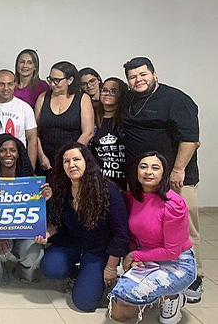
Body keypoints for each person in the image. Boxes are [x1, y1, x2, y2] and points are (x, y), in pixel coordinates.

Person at [120, 56, 203, 302]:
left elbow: (190, 138)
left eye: (143, 74)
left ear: (155, 74)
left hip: (174, 179)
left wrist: (178, 170)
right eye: (133, 77)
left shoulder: (177, 100)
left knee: (186, 230)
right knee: (150, 230)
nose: (138, 80)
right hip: (142, 179)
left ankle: (194, 280)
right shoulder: (129, 99)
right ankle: (161, 275)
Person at [35, 142, 129, 312]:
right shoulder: (61, 189)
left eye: (76, 159)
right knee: (50, 267)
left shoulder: (108, 191)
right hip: (71, 246)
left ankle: (94, 277)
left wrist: (110, 268)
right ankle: (79, 274)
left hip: (98, 252)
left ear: (87, 161)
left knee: (84, 304)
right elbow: (58, 222)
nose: (72, 165)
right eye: (66, 161)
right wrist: (48, 232)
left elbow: (121, 235)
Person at [108, 152, 197, 324]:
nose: (148, 172)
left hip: (177, 262)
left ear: (164, 173)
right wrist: (134, 254)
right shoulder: (131, 198)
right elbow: (131, 236)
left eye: (155, 168)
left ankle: (172, 297)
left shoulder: (174, 204)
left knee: (129, 296)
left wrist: (135, 256)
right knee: (118, 313)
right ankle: (160, 295)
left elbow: (172, 252)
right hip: (146, 258)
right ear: (136, 171)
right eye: (143, 167)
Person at [0, 133, 50, 285]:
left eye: (12, 150)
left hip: (22, 232)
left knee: (35, 250)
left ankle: (25, 273)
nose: (8, 154)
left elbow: (39, 214)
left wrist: (47, 197)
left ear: (19, 153)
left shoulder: (30, 179)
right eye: (3, 150)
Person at [34, 61, 94, 175]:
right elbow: (35, 132)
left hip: (72, 161)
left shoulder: (82, 99)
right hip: (46, 160)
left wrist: (70, 158)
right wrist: (41, 156)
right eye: (50, 79)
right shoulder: (43, 98)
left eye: (57, 80)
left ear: (70, 80)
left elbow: (88, 133)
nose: (52, 84)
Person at [89, 77, 128, 189]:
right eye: (104, 90)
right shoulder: (93, 119)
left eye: (113, 91)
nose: (107, 94)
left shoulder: (127, 120)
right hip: (98, 182)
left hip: (124, 182)